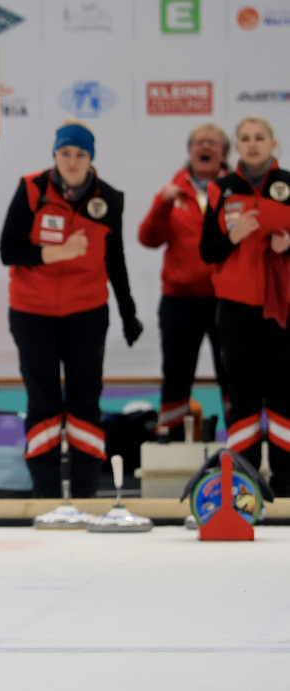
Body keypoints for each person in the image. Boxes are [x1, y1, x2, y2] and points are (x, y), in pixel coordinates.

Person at [0, 120, 143, 498]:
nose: (72, 161)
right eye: (65, 153)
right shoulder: (32, 190)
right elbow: (7, 250)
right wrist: (55, 253)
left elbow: (116, 260)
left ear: (91, 158)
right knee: (43, 399)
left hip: (86, 311)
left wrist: (128, 313)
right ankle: (45, 491)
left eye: (80, 154)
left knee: (84, 400)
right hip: (33, 311)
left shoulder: (108, 199)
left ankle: (85, 491)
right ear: (54, 155)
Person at [200, 116, 290, 496]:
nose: (252, 144)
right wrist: (233, 237)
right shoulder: (221, 190)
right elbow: (207, 252)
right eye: (245, 138)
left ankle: (287, 486)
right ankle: (242, 486)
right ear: (236, 146)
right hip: (236, 308)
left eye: (259, 138)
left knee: (284, 392)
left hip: (282, 308)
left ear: (273, 144)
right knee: (243, 394)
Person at [138, 124, 232, 440]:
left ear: (224, 152)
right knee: (176, 375)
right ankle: (171, 440)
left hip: (227, 298)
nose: (205, 147)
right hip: (180, 300)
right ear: (189, 150)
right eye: (199, 142)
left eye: (213, 142)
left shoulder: (237, 190)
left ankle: (241, 439)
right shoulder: (171, 191)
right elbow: (148, 239)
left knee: (234, 374)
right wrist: (162, 204)